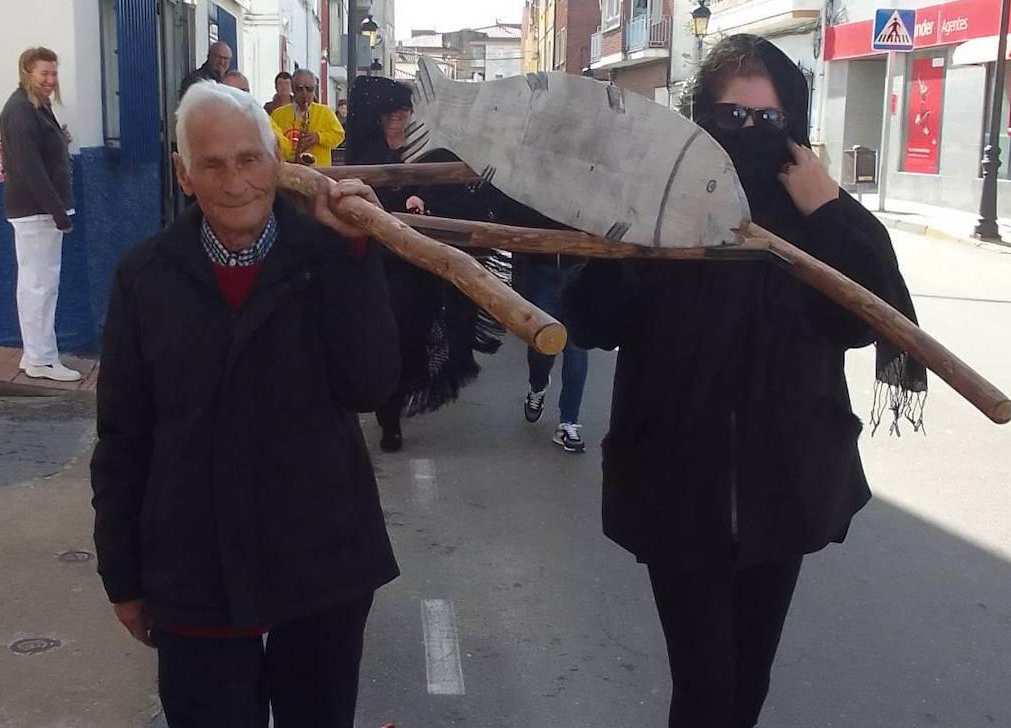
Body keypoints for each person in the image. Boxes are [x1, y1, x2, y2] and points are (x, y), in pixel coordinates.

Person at [562, 34, 926, 728]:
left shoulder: (812, 213)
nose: (751, 132)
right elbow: (590, 320)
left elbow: (872, 318)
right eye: (732, 116)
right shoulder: (661, 202)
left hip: (784, 484)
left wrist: (831, 211)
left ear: (794, 121)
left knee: (748, 682)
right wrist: (634, 232)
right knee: (704, 687)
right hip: (676, 483)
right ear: (701, 118)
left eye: (769, 118)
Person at [90, 80, 401, 728]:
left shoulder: (326, 254)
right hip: (194, 564)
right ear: (183, 174)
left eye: (249, 159)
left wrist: (354, 258)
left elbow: (370, 385)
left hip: (320, 556)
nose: (234, 183)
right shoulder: (145, 278)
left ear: (276, 161)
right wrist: (123, 576)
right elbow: (122, 439)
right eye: (212, 164)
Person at [344, 75, 503, 452]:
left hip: (419, 262)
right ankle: (388, 412)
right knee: (384, 333)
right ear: (379, 118)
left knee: (412, 335)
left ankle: (395, 400)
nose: (400, 118)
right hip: (377, 261)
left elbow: (455, 195)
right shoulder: (365, 154)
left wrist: (424, 202)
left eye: (404, 111)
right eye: (393, 113)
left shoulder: (429, 149)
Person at [0, 47, 80, 383]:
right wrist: (59, 213)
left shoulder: (35, 105)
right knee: (40, 287)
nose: (50, 80)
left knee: (36, 284)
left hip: (38, 211)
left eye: (54, 73)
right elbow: (31, 169)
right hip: (36, 212)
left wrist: (59, 139)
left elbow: (38, 153)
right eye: (44, 73)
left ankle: (34, 353)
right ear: (27, 73)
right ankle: (42, 360)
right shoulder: (20, 110)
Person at [516, 251, 590, 453]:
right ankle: (537, 386)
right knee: (542, 344)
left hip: (580, 270)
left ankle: (568, 422)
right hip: (542, 269)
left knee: (577, 349)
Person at [271, 69, 344, 167]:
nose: (304, 93)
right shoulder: (278, 114)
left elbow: (339, 135)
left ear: (314, 90)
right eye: (300, 89)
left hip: (320, 170)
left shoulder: (325, 112)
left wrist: (319, 137)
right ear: (293, 89)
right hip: (288, 169)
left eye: (309, 89)